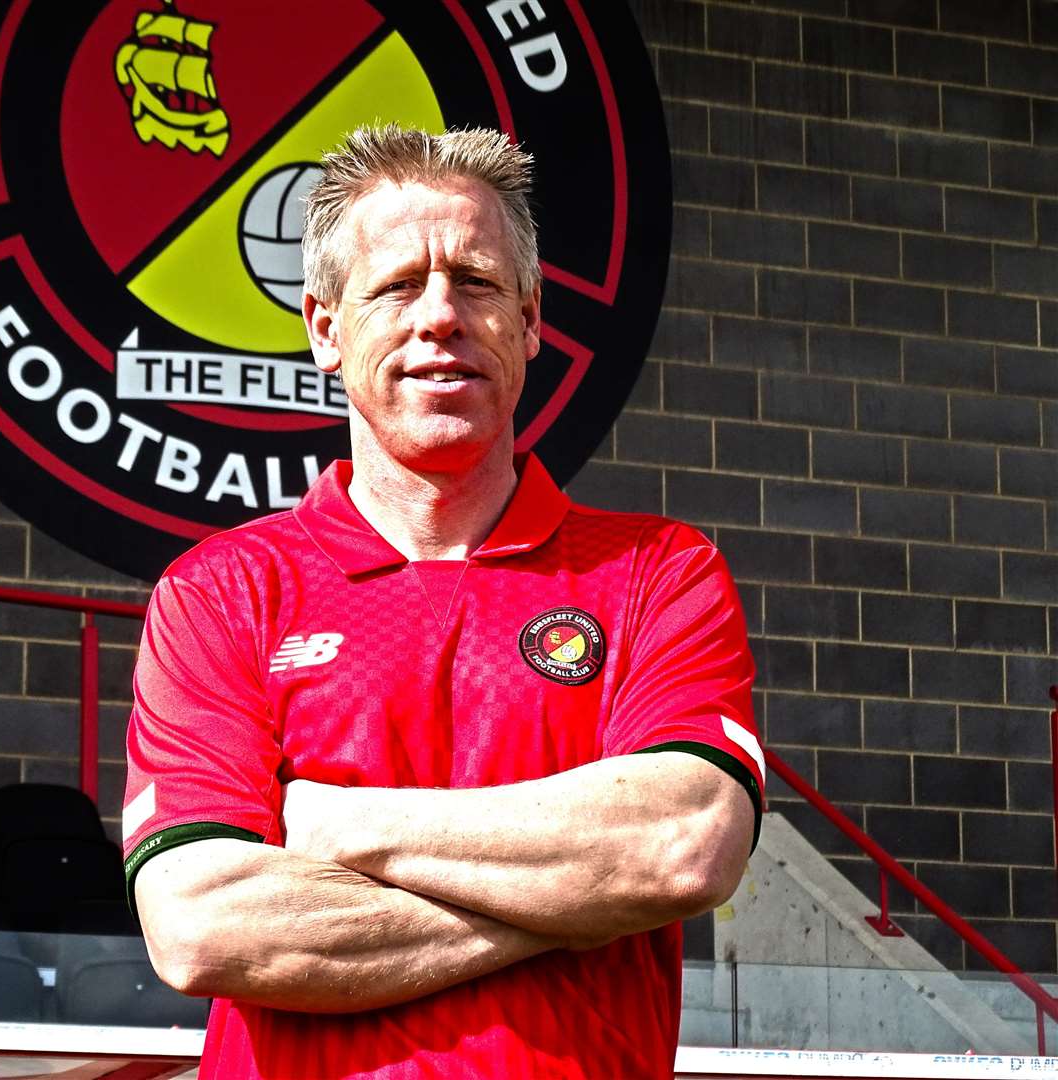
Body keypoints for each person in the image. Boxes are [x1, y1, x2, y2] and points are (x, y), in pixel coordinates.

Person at [121, 125, 764, 1079]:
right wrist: (576, 903)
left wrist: (345, 827)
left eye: (475, 280)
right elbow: (205, 928)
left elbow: (680, 847)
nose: (439, 316)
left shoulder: (658, 572)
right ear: (326, 328)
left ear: (531, 316)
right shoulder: (221, 593)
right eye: (393, 286)